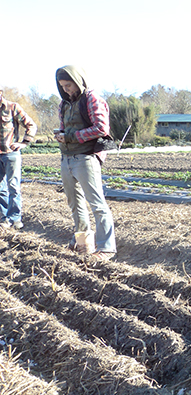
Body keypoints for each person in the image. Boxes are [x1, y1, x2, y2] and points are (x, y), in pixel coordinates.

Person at [54, 65, 116, 260]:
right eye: (62, 86)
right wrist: (62, 136)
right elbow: (65, 129)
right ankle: (84, 242)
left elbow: (101, 128)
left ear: (78, 81)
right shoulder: (64, 104)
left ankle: (106, 248)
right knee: (75, 203)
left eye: (68, 85)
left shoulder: (91, 99)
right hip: (67, 159)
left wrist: (72, 136)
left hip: (86, 157)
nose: (66, 89)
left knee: (97, 204)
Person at [0, 88, 37, 229]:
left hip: (10, 153)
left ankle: (15, 218)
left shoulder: (12, 107)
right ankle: (4, 218)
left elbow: (31, 125)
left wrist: (24, 142)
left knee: (13, 186)